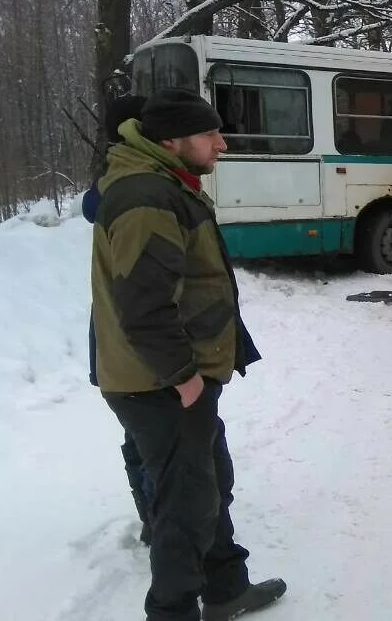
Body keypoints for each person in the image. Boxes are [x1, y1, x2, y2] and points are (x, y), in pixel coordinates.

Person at [91, 88, 285, 621]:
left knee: (208, 484)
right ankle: (173, 611)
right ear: (171, 140)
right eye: (210, 134)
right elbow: (145, 305)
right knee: (184, 508)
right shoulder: (148, 196)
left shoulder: (167, 184)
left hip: (173, 377)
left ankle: (225, 589)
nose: (223, 143)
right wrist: (184, 378)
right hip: (158, 383)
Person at [84, 94, 155, 547]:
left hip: (108, 338)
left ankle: (152, 514)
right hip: (132, 343)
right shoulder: (131, 190)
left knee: (138, 436)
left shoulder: (107, 185)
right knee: (153, 439)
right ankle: (160, 517)